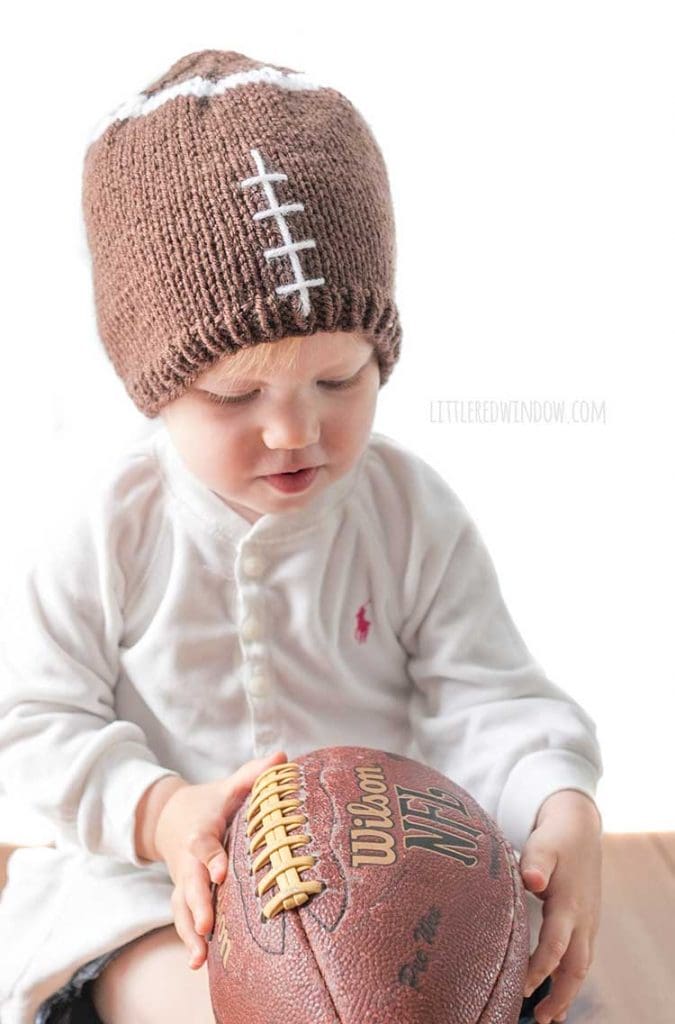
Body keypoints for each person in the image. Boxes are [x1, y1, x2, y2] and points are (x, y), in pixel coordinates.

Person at [0, 49, 602, 1024]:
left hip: (392, 880)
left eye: (340, 380)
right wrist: (158, 810)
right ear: (153, 387)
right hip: (159, 889)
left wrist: (555, 801)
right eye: (236, 395)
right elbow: (29, 719)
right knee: (204, 997)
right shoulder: (109, 528)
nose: (295, 431)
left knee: (497, 988)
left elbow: (488, 694)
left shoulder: (408, 512)